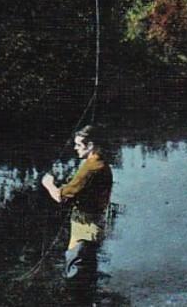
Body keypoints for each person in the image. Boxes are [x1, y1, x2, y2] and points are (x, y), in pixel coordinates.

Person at [41, 125, 113, 304]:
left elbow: (60, 196)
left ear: (91, 145)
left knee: (76, 272)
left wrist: (48, 183)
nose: (75, 148)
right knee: (87, 269)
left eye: (79, 145)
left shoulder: (90, 168)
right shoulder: (98, 161)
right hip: (91, 223)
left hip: (85, 226)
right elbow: (80, 187)